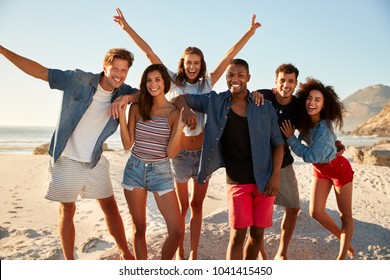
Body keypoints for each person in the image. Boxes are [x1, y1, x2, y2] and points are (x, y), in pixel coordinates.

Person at [112, 7, 261, 260]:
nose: (192, 66)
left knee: (197, 206)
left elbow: (230, 54)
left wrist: (249, 33)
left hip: (203, 154)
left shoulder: (208, 82)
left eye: (196, 62)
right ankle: (180, 253)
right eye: (188, 62)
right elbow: (149, 53)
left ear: (201, 65)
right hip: (178, 155)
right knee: (181, 208)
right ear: (183, 63)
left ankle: (193, 253)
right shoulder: (171, 81)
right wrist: (127, 28)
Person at [0, 45, 138, 260]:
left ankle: (126, 254)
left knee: (110, 207)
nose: (119, 74)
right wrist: (2, 51)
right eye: (115, 68)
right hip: (66, 157)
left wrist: (126, 99)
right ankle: (69, 262)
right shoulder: (78, 80)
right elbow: (39, 72)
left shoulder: (124, 91)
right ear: (104, 67)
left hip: (94, 159)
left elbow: (148, 95)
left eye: (124, 70)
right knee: (68, 210)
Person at [172, 59, 284, 260]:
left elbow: (278, 143)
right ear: (225, 78)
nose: (235, 79)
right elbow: (179, 99)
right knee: (238, 234)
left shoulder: (264, 106)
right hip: (236, 181)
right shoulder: (215, 101)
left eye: (240, 75)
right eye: (231, 75)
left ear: (248, 78)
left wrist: (275, 175)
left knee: (258, 234)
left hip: (265, 180)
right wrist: (187, 110)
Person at [281, 77, 354, 260]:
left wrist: (291, 139)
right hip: (321, 169)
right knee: (316, 212)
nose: (312, 102)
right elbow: (329, 140)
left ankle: (342, 257)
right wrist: (336, 144)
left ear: (324, 105)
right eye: (309, 98)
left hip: (338, 170)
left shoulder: (322, 126)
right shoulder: (305, 120)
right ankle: (344, 238)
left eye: (317, 100)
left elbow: (311, 155)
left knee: (345, 215)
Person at [118, 64, 186, 260]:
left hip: (161, 172)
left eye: (157, 79)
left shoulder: (174, 113)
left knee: (177, 231)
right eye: (149, 80)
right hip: (134, 169)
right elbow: (127, 143)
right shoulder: (137, 108)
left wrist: (180, 128)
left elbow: (171, 153)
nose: (153, 84)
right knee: (140, 227)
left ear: (165, 82)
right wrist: (122, 116)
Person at [256, 63, 300, 260]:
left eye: (290, 81)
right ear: (276, 82)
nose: (286, 84)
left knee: (293, 207)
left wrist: (334, 142)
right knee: (259, 210)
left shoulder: (298, 106)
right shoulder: (262, 96)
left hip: (284, 162)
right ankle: (262, 252)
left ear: (296, 83)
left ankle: (282, 252)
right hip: (258, 163)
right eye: (282, 80)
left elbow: (313, 128)